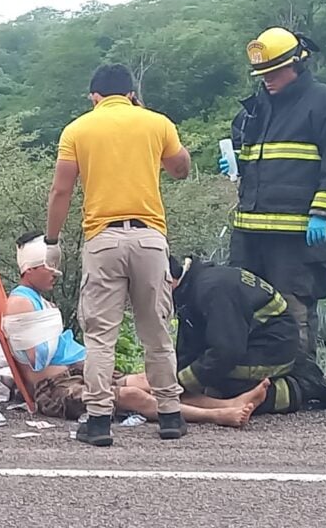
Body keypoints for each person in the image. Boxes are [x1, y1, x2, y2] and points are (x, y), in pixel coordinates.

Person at [44, 63, 192, 447]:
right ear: (130, 92)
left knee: (100, 337)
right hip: (150, 240)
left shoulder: (78, 129)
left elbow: (61, 190)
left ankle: (97, 421)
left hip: (103, 240)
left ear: (95, 96)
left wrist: (52, 240)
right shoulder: (157, 123)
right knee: (156, 332)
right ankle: (171, 416)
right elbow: (181, 168)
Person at [3, 233, 263, 429]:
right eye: (48, 266)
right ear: (30, 268)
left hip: (80, 370)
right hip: (53, 388)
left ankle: (230, 403)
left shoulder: (38, 301)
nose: (55, 273)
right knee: (131, 396)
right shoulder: (20, 303)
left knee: (155, 381)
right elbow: (36, 359)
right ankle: (216, 416)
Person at [221, 27, 326, 366]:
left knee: (293, 306)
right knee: (244, 303)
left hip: (296, 233)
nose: (267, 79)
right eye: (262, 73)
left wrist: (323, 213)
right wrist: (235, 159)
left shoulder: (324, 103)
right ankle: (255, 377)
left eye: (274, 72)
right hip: (250, 232)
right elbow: (255, 156)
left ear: (297, 64)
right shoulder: (255, 109)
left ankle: (300, 380)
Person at [170, 255, 326, 413]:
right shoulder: (193, 286)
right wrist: (174, 375)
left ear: (166, 279)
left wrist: (180, 384)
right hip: (259, 339)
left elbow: (226, 352)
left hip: (272, 347)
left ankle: (299, 389)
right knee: (201, 380)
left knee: (218, 388)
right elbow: (191, 346)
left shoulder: (212, 290)